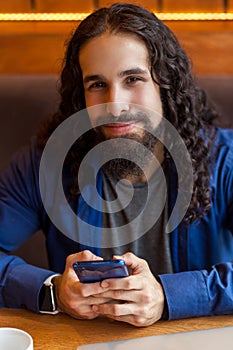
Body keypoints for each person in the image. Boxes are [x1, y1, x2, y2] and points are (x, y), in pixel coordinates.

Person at [0, 2, 233, 327]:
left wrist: (169, 296)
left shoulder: (226, 160)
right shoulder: (44, 165)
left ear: (164, 85)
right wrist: (52, 291)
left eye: (133, 79)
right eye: (97, 85)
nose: (116, 104)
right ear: (81, 97)